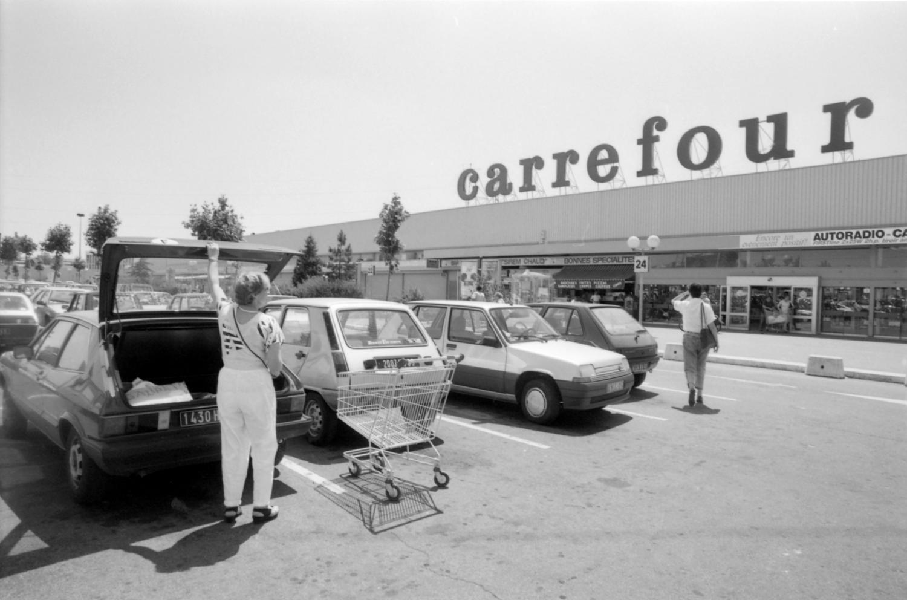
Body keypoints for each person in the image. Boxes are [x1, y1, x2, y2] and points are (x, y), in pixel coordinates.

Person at [207, 242, 284, 525]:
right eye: (265, 291)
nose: (269, 295)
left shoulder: (224, 312)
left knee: (233, 446)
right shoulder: (268, 324)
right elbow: (275, 369)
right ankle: (261, 506)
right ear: (253, 296)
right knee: (264, 446)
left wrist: (213, 259)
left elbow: (213, 286)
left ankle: (231, 505)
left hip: (227, 381)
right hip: (256, 384)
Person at [672, 283, 719, 407]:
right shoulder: (706, 306)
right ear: (701, 292)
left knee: (689, 365)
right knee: (701, 366)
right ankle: (700, 395)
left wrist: (685, 294)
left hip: (689, 337)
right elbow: (712, 326)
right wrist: (716, 341)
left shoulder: (685, 304)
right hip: (703, 339)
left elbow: (673, 301)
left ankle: (691, 387)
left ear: (690, 292)